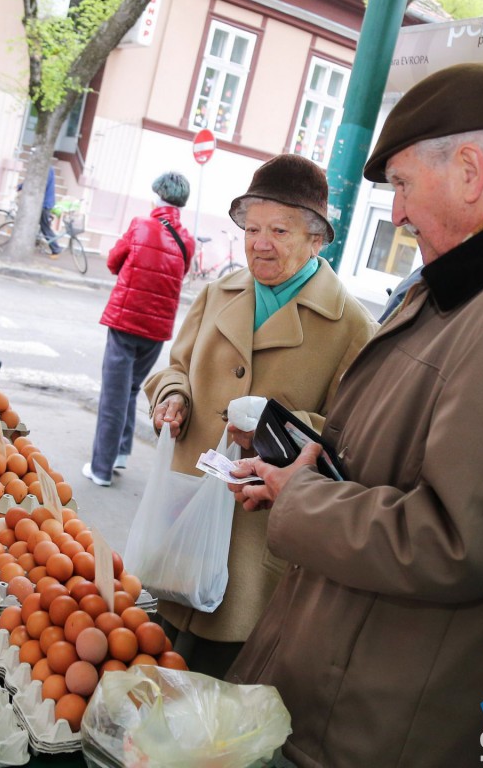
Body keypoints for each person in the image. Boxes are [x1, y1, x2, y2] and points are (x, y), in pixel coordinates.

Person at [227, 63, 483, 766]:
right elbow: (410, 452)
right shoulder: (479, 285)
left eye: (403, 185)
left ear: (468, 171)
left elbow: (457, 543)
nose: (397, 214)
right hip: (359, 682)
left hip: (390, 718)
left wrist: (302, 499)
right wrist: (306, 456)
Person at [144, 155, 377, 677]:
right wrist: (172, 396)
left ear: (316, 239)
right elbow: (176, 368)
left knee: (217, 685)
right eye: (252, 229)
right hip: (186, 520)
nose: (260, 243)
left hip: (254, 540)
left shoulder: (353, 329)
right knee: (154, 663)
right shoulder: (217, 293)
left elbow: (352, 439)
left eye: (279, 230)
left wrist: (278, 428)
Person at [82, 172, 195, 487]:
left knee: (113, 396)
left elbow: (113, 261)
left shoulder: (140, 225)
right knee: (131, 390)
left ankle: (101, 469)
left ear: (157, 196)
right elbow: (180, 272)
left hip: (125, 322)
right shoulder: (187, 240)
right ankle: (120, 452)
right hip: (157, 328)